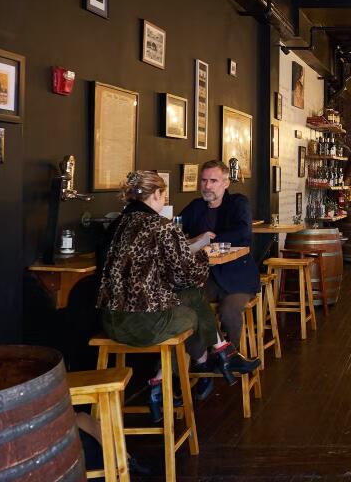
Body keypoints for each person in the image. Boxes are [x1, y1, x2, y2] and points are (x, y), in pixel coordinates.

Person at [97, 171, 260, 421]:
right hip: (143, 326)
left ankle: (222, 353)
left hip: (109, 322)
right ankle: (166, 381)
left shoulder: (118, 223)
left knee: (191, 296)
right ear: (157, 195)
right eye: (164, 195)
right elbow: (189, 276)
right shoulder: (161, 226)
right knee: (191, 314)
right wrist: (203, 254)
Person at [179, 160, 259, 347]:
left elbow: (243, 233)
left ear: (225, 183)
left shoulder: (238, 203)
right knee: (189, 310)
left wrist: (209, 239)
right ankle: (203, 359)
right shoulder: (196, 207)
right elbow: (177, 230)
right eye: (204, 180)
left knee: (229, 312)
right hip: (205, 276)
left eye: (213, 181)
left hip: (237, 276)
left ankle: (231, 358)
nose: (207, 186)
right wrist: (196, 238)